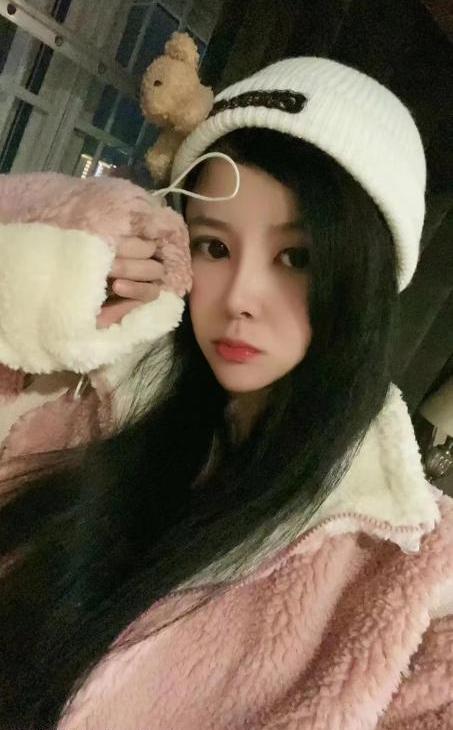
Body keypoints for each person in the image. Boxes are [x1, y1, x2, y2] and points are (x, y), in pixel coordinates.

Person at [0, 56, 452, 730]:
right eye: (214, 247)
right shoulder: (83, 389)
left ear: (367, 281)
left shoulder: (414, 570)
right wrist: (47, 287)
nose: (239, 297)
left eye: (295, 257)